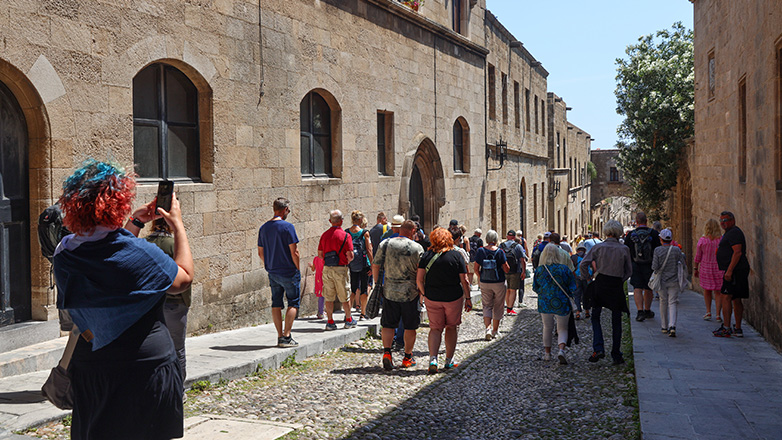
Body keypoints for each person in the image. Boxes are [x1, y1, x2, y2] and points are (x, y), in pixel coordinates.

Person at [53, 160, 193, 439]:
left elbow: (110, 258)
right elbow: (183, 279)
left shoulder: (64, 252)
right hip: (144, 366)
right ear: (118, 201)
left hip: (94, 366)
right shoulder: (140, 253)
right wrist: (178, 226)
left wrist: (137, 222)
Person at [416, 228, 472, 374]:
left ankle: (433, 359)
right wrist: (468, 298)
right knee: (451, 327)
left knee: (435, 329)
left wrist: (424, 293)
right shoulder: (456, 255)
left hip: (432, 297)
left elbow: (419, 279)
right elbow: (464, 280)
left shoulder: (427, 256)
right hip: (453, 297)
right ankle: (448, 360)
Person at [372, 220, 424, 369]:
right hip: (410, 292)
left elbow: (375, 264)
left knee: (388, 324)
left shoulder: (386, 244)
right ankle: (407, 357)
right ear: (413, 231)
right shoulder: (417, 248)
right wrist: (422, 290)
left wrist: (377, 285)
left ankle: (387, 353)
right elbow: (421, 272)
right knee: (410, 326)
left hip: (389, 289)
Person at [579, 220, 633, 365]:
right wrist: (620, 279)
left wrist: (588, 278)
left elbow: (584, 263)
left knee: (595, 316)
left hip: (600, 283)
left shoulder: (599, 247)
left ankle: (598, 348)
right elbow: (629, 271)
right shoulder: (624, 249)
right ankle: (616, 354)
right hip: (615, 284)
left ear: (606, 232)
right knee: (616, 320)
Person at [145, 218, 192, 379]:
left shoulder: (144, 244)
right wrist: (186, 301)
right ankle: (179, 388)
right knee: (177, 348)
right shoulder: (175, 245)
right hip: (175, 303)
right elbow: (186, 274)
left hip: (150, 304)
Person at [258, 197, 301, 347]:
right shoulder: (288, 227)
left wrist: (268, 265)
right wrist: (297, 268)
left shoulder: (263, 228)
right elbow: (294, 252)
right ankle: (287, 336)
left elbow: (260, 252)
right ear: (285, 210)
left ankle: (279, 335)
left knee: (276, 303)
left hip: (273, 271)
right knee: (293, 303)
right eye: (288, 210)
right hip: (288, 271)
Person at [533, 245, 577, 364]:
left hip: (545, 302)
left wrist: (545, 293)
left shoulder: (540, 270)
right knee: (562, 328)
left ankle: (547, 354)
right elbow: (573, 286)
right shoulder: (564, 269)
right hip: (561, 302)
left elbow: (535, 287)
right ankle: (561, 350)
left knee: (547, 327)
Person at [713, 211, 751, 338]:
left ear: (733, 220)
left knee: (726, 297)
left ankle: (727, 328)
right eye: (721, 221)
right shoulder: (731, 232)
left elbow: (737, 252)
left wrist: (729, 271)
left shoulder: (734, 233)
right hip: (737, 270)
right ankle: (737, 329)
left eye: (726, 220)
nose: (723, 223)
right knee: (736, 298)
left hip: (735, 271)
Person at [318, 210, 356, 330]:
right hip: (341, 269)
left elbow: (320, 254)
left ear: (330, 221)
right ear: (342, 221)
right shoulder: (346, 236)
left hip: (327, 269)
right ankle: (349, 320)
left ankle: (330, 321)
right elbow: (350, 255)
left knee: (328, 297)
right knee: (345, 296)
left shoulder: (324, 235)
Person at [474, 230, 510, 340]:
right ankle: (495, 330)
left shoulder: (481, 251)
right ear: (495, 240)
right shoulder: (500, 252)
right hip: (498, 282)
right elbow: (507, 269)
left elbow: (476, 268)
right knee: (498, 306)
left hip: (485, 282)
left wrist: (481, 277)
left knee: (486, 305)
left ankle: (488, 328)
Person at [625, 211, 661, 322]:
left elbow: (626, 250)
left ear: (636, 222)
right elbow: (658, 250)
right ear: (646, 221)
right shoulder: (654, 234)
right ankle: (647, 310)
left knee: (637, 288)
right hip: (650, 265)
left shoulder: (631, 235)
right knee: (648, 287)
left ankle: (640, 312)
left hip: (635, 265)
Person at [651, 229, 688, 337]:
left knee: (663, 301)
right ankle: (672, 326)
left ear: (661, 239)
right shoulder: (676, 250)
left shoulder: (657, 250)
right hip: (674, 280)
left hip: (662, 281)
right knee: (672, 302)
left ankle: (664, 326)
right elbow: (683, 263)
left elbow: (654, 267)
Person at [694, 219, 724, 322]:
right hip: (718, 268)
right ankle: (718, 314)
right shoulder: (720, 240)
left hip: (705, 268)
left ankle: (708, 312)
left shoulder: (702, 240)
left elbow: (698, 256)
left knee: (707, 290)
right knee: (718, 291)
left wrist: (695, 268)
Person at [347, 210, 373, 319]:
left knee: (352, 289)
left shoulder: (347, 232)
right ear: (361, 220)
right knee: (363, 289)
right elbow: (369, 250)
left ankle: (348, 314)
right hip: (363, 264)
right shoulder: (365, 233)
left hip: (352, 264)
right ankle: (363, 313)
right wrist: (372, 265)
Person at [501, 230, 525, 316]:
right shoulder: (518, 246)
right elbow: (523, 259)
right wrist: (524, 271)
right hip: (515, 270)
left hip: (504, 270)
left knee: (507, 290)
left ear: (507, 236)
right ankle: (510, 308)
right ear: (514, 237)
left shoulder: (502, 245)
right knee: (513, 290)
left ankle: (508, 307)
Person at [570, 244, 590, 319]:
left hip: (576, 278)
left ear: (577, 250)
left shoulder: (573, 257)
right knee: (586, 294)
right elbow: (594, 267)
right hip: (586, 278)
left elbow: (570, 268)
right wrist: (591, 276)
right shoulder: (588, 256)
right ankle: (587, 311)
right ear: (584, 250)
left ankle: (578, 312)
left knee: (577, 295)